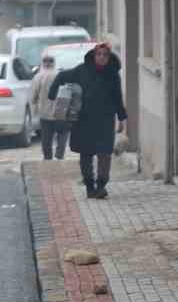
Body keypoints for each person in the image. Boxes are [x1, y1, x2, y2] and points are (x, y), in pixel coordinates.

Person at [50, 40, 127, 199]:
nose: (101, 57)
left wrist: (122, 117)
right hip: (83, 120)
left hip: (105, 120)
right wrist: (52, 93)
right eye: (98, 54)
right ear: (93, 55)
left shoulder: (113, 74)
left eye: (105, 55)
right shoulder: (82, 70)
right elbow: (62, 76)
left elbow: (117, 97)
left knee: (105, 153)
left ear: (109, 57)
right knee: (86, 153)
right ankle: (90, 186)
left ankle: (101, 185)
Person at [30, 53, 69, 160]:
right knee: (63, 132)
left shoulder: (38, 77)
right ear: (54, 63)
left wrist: (34, 109)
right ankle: (59, 154)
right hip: (61, 111)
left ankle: (48, 157)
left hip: (45, 112)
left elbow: (33, 96)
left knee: (46, 137)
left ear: (43, 63)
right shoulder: (61, 75)